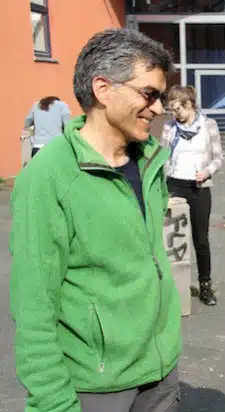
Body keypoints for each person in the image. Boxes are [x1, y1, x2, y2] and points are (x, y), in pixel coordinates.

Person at [9, 29, 181, 412]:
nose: (158, 108)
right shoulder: (48, 176)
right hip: (98, 387)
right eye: (149, 94)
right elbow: (34, 305)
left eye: (162, 97)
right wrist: (53, 402)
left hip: (161, 373)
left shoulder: (151, 161)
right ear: (103, 89)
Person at [161, 85, 223, 306]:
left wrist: (206, 172)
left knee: (200, 240)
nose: (174, 114)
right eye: (172, 110)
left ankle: (205, 286)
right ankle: (172, 288)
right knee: (172, 239)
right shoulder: (170, 127)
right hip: (174, 186)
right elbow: (163, 157)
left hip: (199, 188)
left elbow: (218, 158)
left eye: (177, 109)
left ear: (189, 104)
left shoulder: (209, 126)